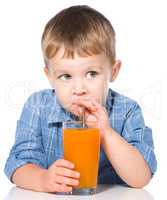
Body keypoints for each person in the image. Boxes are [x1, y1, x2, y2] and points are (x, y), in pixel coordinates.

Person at [4, 5, 157, 193]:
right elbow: (18, 164)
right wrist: (43, 179)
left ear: (113, 71)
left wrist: (107, 133)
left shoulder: (126, 111)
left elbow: (141, 178)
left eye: (91, 73)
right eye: (66, 76)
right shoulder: (38, 106)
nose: (79, 89)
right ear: (50, 76)